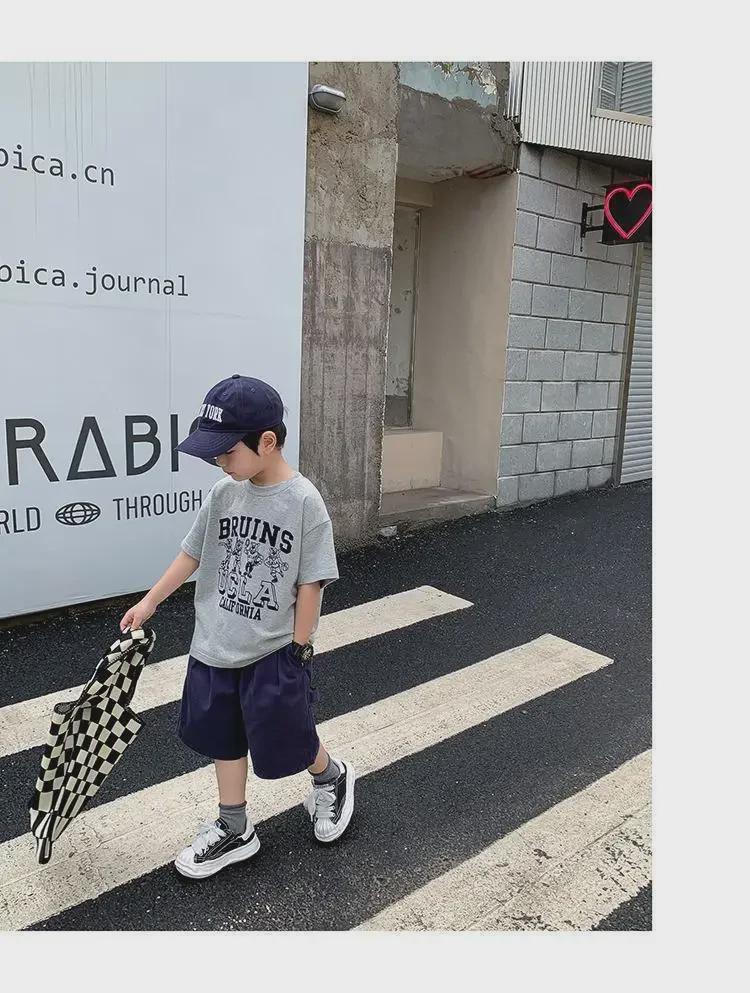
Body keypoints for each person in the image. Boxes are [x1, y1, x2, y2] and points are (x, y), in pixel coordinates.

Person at [119, 374, 354, 880]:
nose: (218, 462)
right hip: (215, 645)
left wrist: (300, 647)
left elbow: (312, 581)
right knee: (224, 736)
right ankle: (234, 827)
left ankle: (330, 777)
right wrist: (150, 602)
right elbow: (193, 553)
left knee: (288, 735)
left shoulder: (304, 503)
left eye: (226, 452)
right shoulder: (224, 494)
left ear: (267, 442)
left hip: (272, 650)